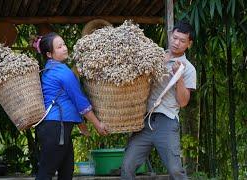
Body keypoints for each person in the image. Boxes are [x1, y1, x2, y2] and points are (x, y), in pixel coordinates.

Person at [121, 20, 196, 180]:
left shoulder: (188, 68)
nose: (177, 43)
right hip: (144, 120)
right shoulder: (154, 56)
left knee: (175, 171)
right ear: (170, 35)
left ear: (189, 44)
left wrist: (179, 78)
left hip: (166, 122)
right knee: (127, 165)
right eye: (175, 38)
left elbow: (183, 102)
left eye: (182, 41)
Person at [32, 32, 108, 180]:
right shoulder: (63, 72)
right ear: (49, 54)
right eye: (59, 47)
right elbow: (80, 102)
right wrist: (97, 124)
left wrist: (80, 124)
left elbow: (67, 101)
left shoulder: (51, 69)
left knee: (66, 172)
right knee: (46, 173)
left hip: (58, 128)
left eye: (64, 44)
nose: (65, 48)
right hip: (56, 128)